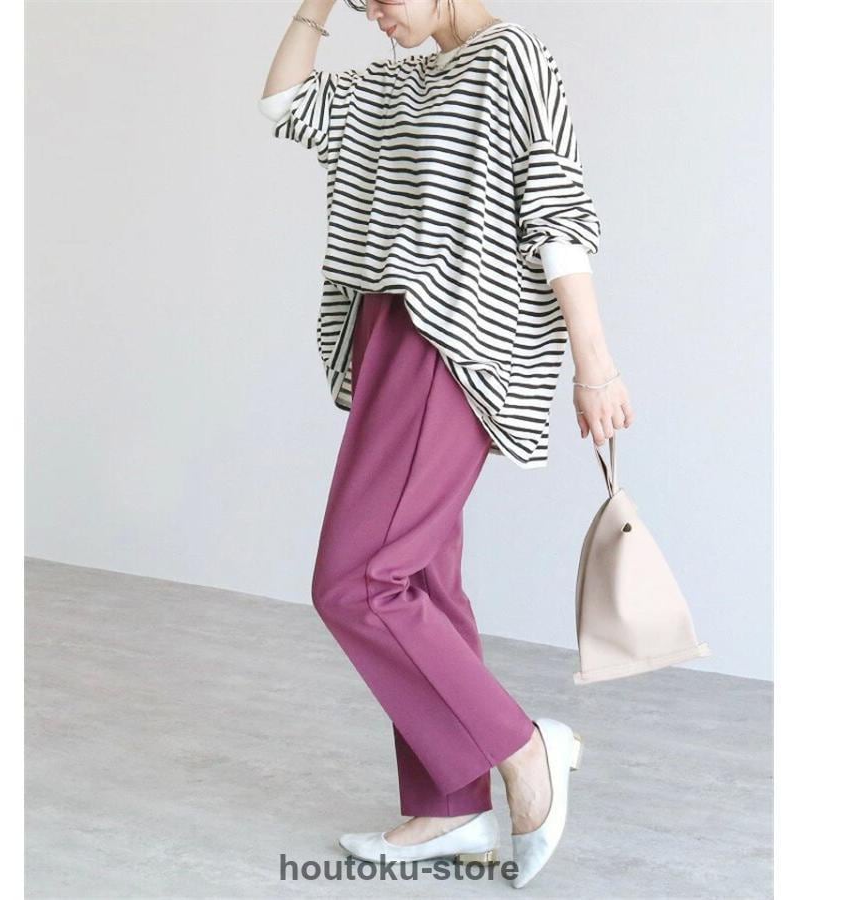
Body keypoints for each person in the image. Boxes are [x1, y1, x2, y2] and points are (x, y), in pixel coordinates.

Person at [259, 0, 634, 888]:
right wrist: (316, 6)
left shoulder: (512, 60)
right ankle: (449, 806)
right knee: (420, 578)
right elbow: (284, 105)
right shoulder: (405, 79)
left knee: (359, 580)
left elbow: (556, 214)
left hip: (451, 337)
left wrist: (594, 365)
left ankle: (523, 747)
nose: (375, 15)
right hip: (390, 334)